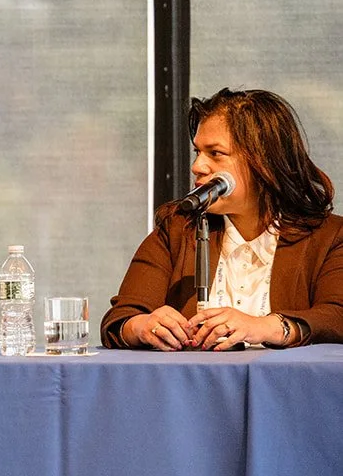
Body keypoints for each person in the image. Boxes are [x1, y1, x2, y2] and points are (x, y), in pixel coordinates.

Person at [101, 87, 343, 350]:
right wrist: (142, 326)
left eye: (215, 153)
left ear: (263, 161)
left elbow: (336, 316)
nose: (197, 166)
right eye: (197, 152)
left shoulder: (329, 237)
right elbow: (120, 319)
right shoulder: (178, 228)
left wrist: (265, 326)